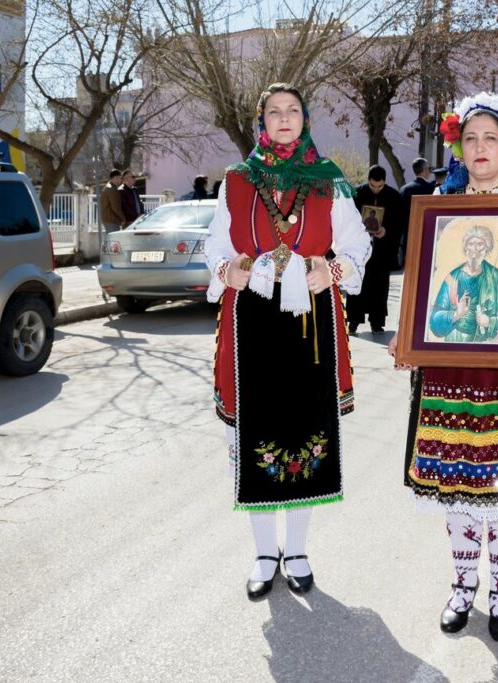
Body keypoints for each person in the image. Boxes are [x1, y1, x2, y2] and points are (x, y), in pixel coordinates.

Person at [389, 91, 498, 643]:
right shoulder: (440, 208)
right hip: (449, 370)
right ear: (458, 148)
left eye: (490, 137)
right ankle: (463, 583)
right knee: (457, 480)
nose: (480, 147)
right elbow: (425, 286)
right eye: (470, 139)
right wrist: (410, 335)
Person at [204, 82, 372, 601]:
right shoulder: (236, 181)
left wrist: (333, 269)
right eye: (274, 112)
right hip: (249, 320)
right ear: (261, 122)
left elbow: (356, 244)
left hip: (309, 326)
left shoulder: (329, 182)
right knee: (252, 436)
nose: (283, 119)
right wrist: (224, 269)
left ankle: (296, 550)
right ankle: (261, 552)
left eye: (292, 111)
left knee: (303, 433)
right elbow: (215, 245)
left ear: (304, 120)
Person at [428, 224, 498, 341]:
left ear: (487, 248)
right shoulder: (452, 279)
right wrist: (457, 313)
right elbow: (434, 320)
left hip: (486, 343)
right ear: (465, 248)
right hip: (455, 341)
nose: (475, 250)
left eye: (480, 244)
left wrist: (489, 321)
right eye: (471, 244)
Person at [346, 165, 401, 335]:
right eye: (372, 186)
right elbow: (347, 219)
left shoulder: (393, 196)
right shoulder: (356, 194)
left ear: (385, 182)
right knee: (357, 283)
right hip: (359, 250)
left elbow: (399, 222)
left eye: (380, 186)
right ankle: (353, 320)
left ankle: (377, 322)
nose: (376, 190)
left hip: (382, 250)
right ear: (368, 181)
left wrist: (386, 230)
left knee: (380, 286)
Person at [399, 157, 438, 265]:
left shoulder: (404, 189)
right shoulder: (430, 189)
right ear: (425, 170)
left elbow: (400, 215)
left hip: (408, 234)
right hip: (426, 233)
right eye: (428, 168)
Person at [99, 169, 126, 234]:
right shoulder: (112, 190)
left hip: (107, 219)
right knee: (113, 240)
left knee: (109, 239)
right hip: (112, 220)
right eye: (120, 178)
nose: (121, 180)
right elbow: (116, 207)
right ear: (115, 178)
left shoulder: (107, 187)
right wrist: (123, 219)